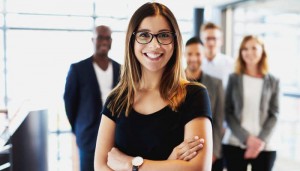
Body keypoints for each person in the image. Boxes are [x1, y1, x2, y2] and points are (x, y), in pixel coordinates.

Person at [94, 2, 213, 171]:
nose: (155, 45)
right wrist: (170, 163)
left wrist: (131, 164)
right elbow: (100, 167)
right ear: (132, 41)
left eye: (164, 35)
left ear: (175, 42)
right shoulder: (117, 99)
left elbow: (198, 168)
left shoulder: (194, 95)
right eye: (144, 35)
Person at [64, 25, 121, 171]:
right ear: (92, 40)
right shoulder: (78, 69)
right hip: (88, 136)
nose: (104, 41)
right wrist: (78, 128)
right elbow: (70, 103)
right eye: (100, 37)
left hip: (117, 137)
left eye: (107, 38)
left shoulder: (120, 69)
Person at [222, 35, 280, 171]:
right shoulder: (234, 78)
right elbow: (227, 111)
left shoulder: (273, 81)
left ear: (262, 51)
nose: (249, 52)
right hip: (235, 143)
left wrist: (258, 142)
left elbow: (274, 114)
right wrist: (247, 139)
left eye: (254, 48)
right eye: (245, 49)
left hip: (265, 146)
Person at [184, 37, 224, 171]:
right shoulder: (173, 81)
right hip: (180, 153)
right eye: (190, 54)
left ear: (204, 55)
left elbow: (218, 122)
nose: (194, 58)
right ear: (184, 54)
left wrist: (214, 152)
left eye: (198, 54)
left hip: (208, 152)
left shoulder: (216, 83)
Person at [200, 22, 234, 88]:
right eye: (207, 39)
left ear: (221, 41)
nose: (211, 43)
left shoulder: (231, 64)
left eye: (214, 38)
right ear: (202, 40)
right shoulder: (196, 63)